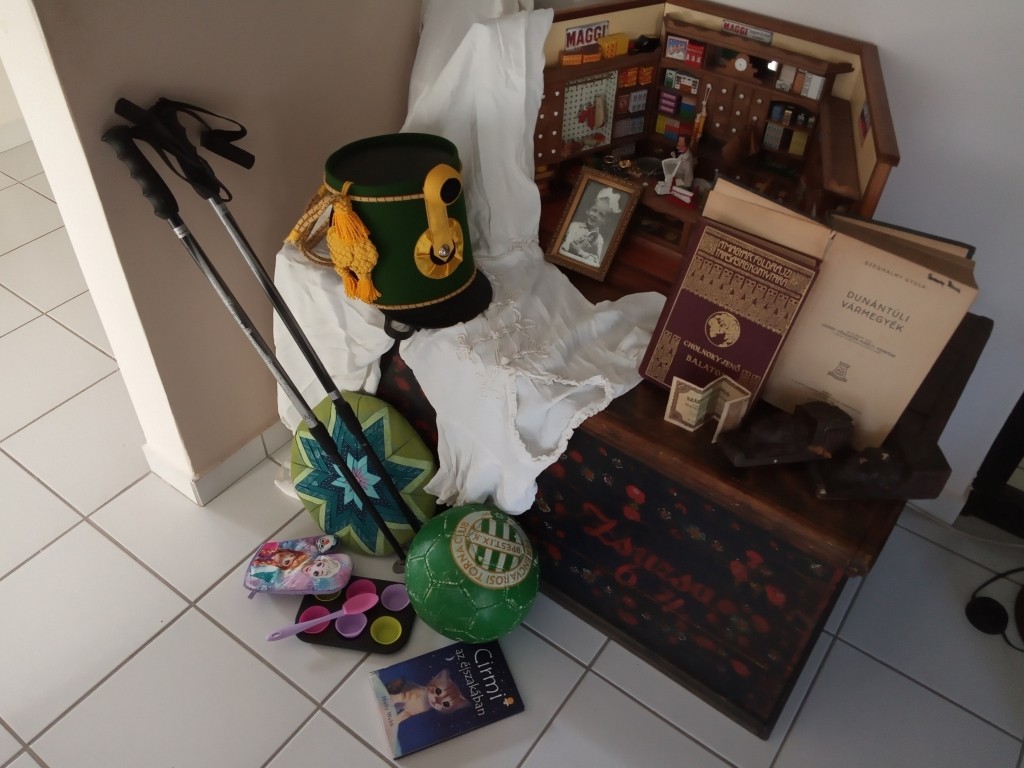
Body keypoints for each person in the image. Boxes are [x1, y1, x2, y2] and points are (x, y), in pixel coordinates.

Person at [560, 186, 621, 265]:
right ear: (588, 210)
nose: (595, 215)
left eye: (601, 214)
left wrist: (579, 252)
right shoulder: (573, 226)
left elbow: (595, 262)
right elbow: (559, 243)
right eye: (594, 210)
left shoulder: (599, 239)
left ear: (605, 221)